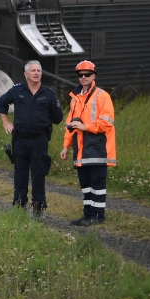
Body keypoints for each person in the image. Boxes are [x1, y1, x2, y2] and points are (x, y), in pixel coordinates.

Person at [0, 59, 64, 219]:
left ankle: (38, 207)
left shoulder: (48, 94)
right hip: (20, 140)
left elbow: (58, 117)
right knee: (20, 173)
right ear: (26, 74)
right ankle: (19, 205)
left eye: (38, 71)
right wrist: (6, 122)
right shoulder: (17, 91)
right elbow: (1, 104)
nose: (36, 73)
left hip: (39, 141)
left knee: (38, 174)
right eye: (33, 71)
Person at [61, 60, 116, 226]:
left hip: (98, 147)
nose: (83, 77)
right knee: (85, 185)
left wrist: (86, 127)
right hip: (80, 149)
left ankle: (98, 216)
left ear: (94, 76)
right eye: (80, 75)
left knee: (97, 184)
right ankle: (87, 215)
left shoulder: (102, 96)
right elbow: (70, 125)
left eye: (87, 74)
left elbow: (107, 122)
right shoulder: (75, 98)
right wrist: (66, 146)